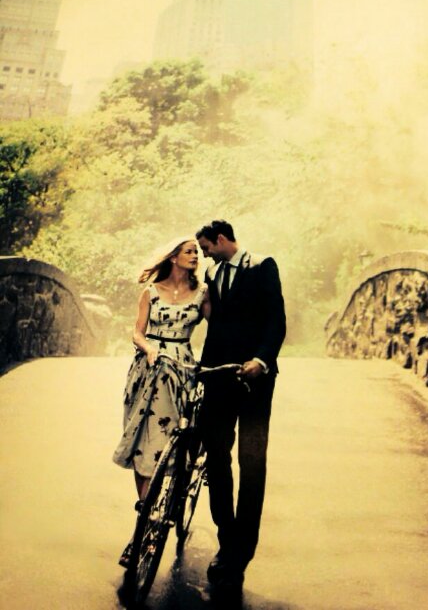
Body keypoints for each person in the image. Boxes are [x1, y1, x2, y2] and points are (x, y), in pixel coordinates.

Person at [195, 220, 286, 596]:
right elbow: (216, 330)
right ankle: (226, 536)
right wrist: (201, 369)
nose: (204, 256)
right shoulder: (212, 275)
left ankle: (240, 554)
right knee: (216, 456)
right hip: (219, 377)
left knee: (252, 461)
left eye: (206, 248)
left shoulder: (262, 266)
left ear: (221, 239)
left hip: (255, 381)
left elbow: (276, 320)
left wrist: (261, 360)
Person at [112, 236, 209, 567]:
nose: (195, 256)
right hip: (150, 367)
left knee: (175, 441)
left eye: (197, 252)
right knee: (143, 442)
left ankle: (170, 502)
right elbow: (137, 333)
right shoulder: (151, 292)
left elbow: (219, 327)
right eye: (189, 251)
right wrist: (150, 349)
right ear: (173, 257)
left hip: (182, 367)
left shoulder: (202, 293)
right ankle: (144, 521)